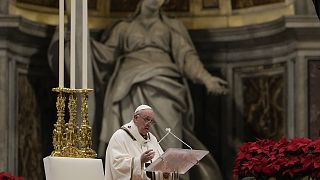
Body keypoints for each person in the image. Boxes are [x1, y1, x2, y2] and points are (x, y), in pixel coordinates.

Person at [48, 0, 227, 178]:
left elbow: (187, 57)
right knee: (129, 141)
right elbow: (105, 56)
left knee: (170, 139)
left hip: (164, 85)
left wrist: (207, 79)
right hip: (127, 86)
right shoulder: (124, 27)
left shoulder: (171, 26)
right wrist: (78, 39)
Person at [105, 104, 170, 180]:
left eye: (151, 121)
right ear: (136, 118)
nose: (149, 124)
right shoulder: (120, 136)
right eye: (146, 119)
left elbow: (161, 162)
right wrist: (139, 161)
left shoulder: (152, 138)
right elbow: (117, 166)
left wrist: (165, 171)